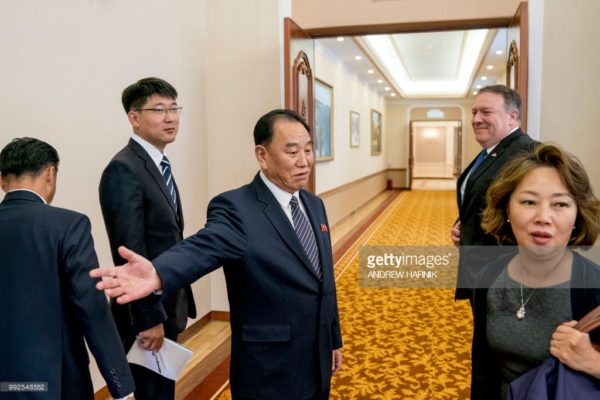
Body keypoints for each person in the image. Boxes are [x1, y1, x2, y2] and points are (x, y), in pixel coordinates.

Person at [92, 109, 343, 400]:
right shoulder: (237, 208)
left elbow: (325, 283)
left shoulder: (314, 205)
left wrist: (332, 338)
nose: (304, 161)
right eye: (292, 152)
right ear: (262, 155)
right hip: (271, 368)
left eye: (309, 150)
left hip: (318, 357)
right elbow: (205, 245)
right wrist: (159, 272)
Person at [0, 138, 134, 399]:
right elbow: (92, 309)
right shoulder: (68, 225)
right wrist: (120, 384)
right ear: (50, 174)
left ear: (2, 180)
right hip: (54, 381)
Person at [470, 143, 600, 399]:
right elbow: (484, 369)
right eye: (529, 201)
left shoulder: (594, 287)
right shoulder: (489, 275)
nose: (543, 217)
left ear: (577, 216)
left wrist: (592, 363)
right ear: (507, 209)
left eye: (560, 205)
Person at [99, 77, 196, 399]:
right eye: (159, 109)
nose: (170, 117)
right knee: (152, 393)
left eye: (174, 108)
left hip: (165, 301)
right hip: (146, 312)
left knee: (161, 390)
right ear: (134, 117)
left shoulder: (155, 164)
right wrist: (149, 319)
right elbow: (128, 254)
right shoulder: (124, 169)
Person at [451, 84, 538, 301]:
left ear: (512, 116)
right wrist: (462, 224)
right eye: (474, 112)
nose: (476, 119)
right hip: (480, 269)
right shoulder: (491, 152)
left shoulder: (528, 154)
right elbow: (484, 197)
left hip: (505, 275)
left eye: (486, 112)